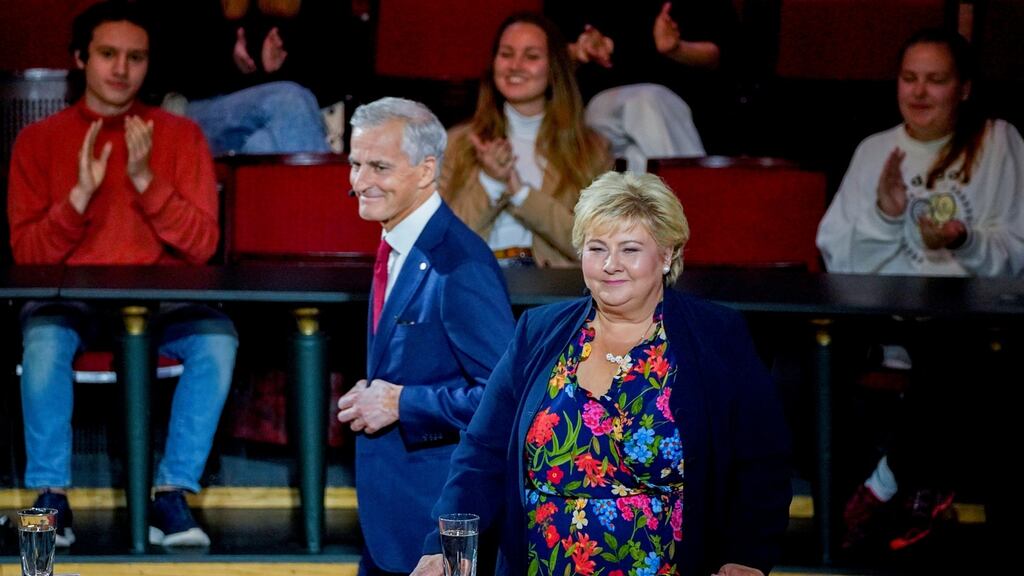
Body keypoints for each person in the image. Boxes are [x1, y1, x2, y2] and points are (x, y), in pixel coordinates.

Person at [411, 171, 792, 576]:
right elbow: (481, 453)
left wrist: (748, 557)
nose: (611, 265)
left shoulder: (717, 336)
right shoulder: (538, 332)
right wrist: (442, 546)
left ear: (666, 255)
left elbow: (762, 462)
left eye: (630, 249)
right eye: (597, 248)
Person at [6, 0, 237, 548]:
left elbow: (204, 246)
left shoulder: (181, 136)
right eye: (108, 54)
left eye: (136, 57)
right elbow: (27, 254)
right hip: (71, 302)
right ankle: (51, 501)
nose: (121, 68)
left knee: (217, 340)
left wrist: (146, 180)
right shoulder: (37, 141)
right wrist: (79, 196)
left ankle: (172, 497)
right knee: (42, 338)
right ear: (80, 59)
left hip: (164, 302)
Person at [816, 28, 1024, 551]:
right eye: (910, 78)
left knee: (959, 352)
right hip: (882, 316)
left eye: (936, 80)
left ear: (965, 88)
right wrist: (887, 217)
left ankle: (881, 489)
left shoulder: (1000, 142)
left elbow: (1021, 247)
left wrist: (964, 239)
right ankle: (866, 509)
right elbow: (835, 253)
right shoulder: (875, 150)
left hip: (970, 319)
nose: (919, 93)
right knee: (803, 361)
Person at [336, 97, 516, 575]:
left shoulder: (460, 264)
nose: (359, 182)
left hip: (436, 529)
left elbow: (504, 398)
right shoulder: (397, 244)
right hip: (390, 526)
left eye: (378, 166)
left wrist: (401, 403)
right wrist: (379, 392)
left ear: (425, 169)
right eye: (355, 164)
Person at [441, 13, 611, 268]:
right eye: (506, 54)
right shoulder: (458, 142)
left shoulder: (592, 149)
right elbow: (441, 243)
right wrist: (491, 183)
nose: (515, 65)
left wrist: (522, 195)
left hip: (552, 293)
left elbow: (597, 247)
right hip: (478, 284)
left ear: (554, 67)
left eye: (531, 56)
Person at [548, 1, 737, 170]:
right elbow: (539, 57)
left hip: (680, 114)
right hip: (599, 116)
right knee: (645, 101)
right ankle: (698, 197)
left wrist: (678, 49)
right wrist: (579, 51)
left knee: (637, 159)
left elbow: (720, 54)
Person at [147, 0, 333, 155]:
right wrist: (229, 58)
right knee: (288, 99)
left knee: (261, 146)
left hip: (272, 115)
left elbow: (327, 86)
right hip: (193, 110)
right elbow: (162, 67)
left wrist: (275, 70)